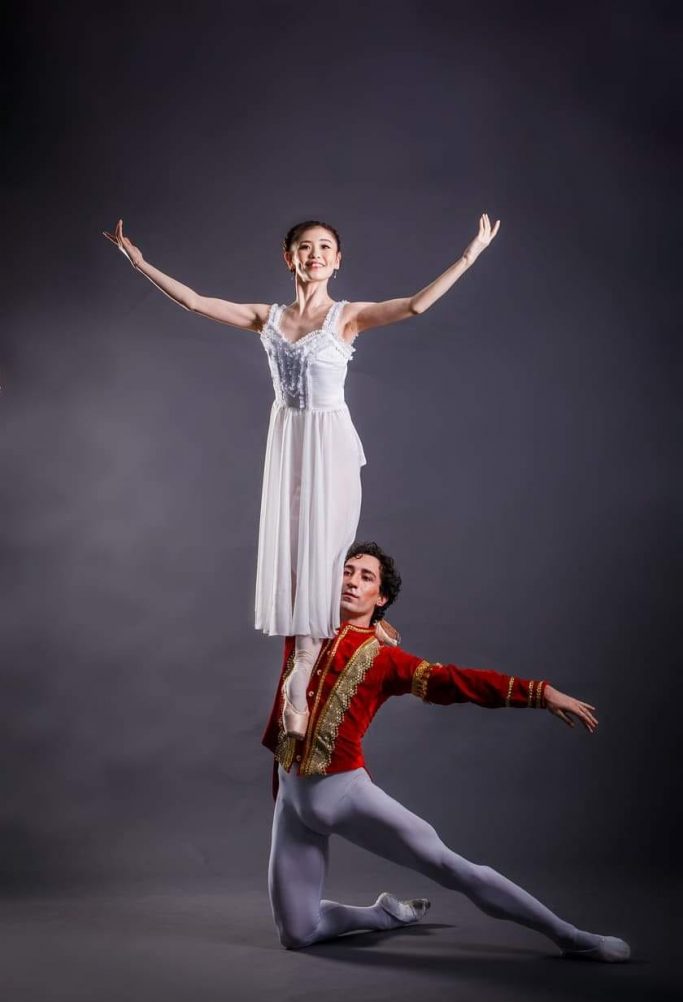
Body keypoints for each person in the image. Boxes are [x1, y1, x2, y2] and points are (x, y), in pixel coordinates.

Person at [103, 215, 500, 736]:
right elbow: (196, 302)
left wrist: (470, 255)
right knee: (295, 554)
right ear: (289, 257)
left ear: (337, 261)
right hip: (289, 442)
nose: (315, 254)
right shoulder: (266, 318)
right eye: (306, 247)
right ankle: (331, 645)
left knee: (327, 548)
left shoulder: (347, 316)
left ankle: (302, 675)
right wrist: (139, 262)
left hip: (330, 444)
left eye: (325, 247)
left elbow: (414, 305)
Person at [262, 541, 630, 961]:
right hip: (293, 803)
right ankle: (383, 915)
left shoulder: (385, 660)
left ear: (380, 598)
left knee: (450, 866)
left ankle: (572, 937)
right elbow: (292, 555)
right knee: (298, 933)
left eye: (366, 577)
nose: (352, 581)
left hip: (343, 794)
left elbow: (456, 682)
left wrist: (540, 693)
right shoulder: (303, 629)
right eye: (346, 571)